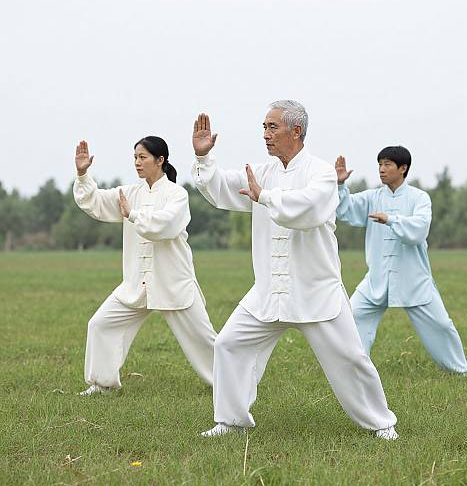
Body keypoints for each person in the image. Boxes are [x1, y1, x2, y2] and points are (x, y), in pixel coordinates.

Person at [192, 101, 398, 439]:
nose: (265, 135)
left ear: (296, 131)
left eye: (272, 128)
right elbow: (220, 189)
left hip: (315, 290)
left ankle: (381, 423)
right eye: (263, 128)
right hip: (268, 292)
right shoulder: (263, 172)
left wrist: (266, 198)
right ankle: (230, 421)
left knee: (350, 359)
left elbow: (309, 210)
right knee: (229, 344)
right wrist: (204, 159)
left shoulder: (321, 173)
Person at [73, 136, 217, 395]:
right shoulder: (129, 193)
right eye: (135, 158)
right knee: (100, 325)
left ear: (160, 160)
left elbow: (166, 225)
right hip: (136, 284)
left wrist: (133, 215)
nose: (137, 163)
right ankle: (103, 384)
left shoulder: (177, 194)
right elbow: (95, 202)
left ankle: (229, 382)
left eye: (143, 157)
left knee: (204, 339)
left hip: (173, 282)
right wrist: (83, 175)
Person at [335, 147, 467, 375]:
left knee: (440, 325)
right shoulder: (372, 197)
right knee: (353, 316)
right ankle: (355, 369)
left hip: (413, 278)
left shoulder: (419, 198)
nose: (381, 169)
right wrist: (340, 186)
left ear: (403, 168)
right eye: (379, 164)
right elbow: (345, 210)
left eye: (387, 164)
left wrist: (390, 220)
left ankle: (461, 371)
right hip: (377, 278)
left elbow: (419, 230)